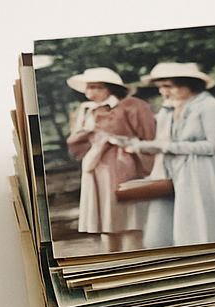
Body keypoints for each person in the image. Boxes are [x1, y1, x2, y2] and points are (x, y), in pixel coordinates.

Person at [124, 62, 215, 248]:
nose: (164, 92)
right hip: (171, 170)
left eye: (169, 86)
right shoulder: (168, 109)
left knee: (201, 224)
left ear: (188, 84)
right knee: (164, 226)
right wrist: (144, 146)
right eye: (161, 87)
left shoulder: (209, 105)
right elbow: (163, 140)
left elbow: (212, 146)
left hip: (201, 170)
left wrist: (168, 147)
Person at [63, 67, 156, 253]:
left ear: (111, 88)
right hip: (96, 163)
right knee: (104, 215)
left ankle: (135, 256)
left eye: (97, 87)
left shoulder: (132, 106)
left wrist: (122, 141)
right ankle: (111, 257)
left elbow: (149, 136)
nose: (91, 92)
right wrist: (91, 136)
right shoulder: (85, 110)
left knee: (128, 214)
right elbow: (75, 140)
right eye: (89, 87)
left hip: (125, 162)